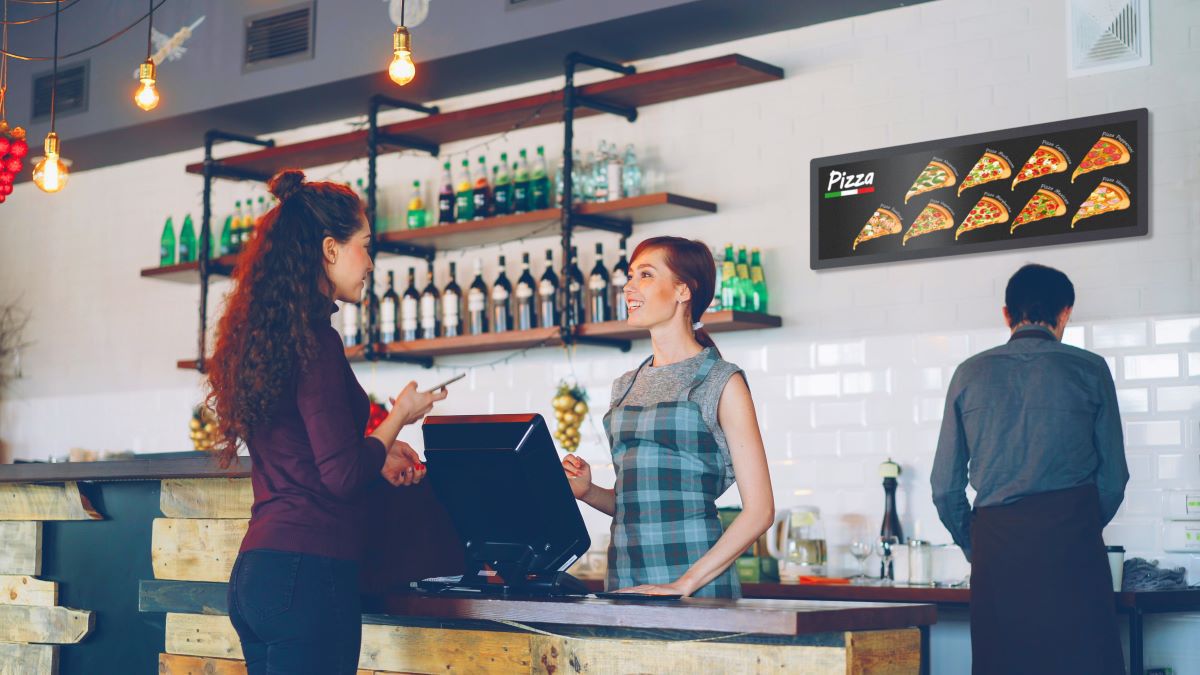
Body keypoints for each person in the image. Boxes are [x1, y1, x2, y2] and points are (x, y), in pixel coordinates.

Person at [205, 169, 447, 674]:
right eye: (365, 244)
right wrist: (398, 417)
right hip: (309, 574)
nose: (370, 261)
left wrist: (376, 453)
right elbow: (339, 476)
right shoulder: (315, 341)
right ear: (331, 250)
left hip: (258, 572)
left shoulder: (272, 339)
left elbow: (313, 456)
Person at [931, 263, 1127, 675]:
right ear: (1065, 313)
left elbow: (944, 489)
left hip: (997, 555)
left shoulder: (969, 373)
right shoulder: (1090, 370)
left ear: (1007, 314)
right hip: (1073, 551)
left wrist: (976, 544)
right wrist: (1079, 525)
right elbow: (1113, 479)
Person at [562, 236, 774, 598]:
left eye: (645, 275)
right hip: (627, 579)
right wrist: (589, 493)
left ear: (683, 290)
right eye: (630, 276)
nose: (629, 287)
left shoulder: (721, 381)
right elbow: (642, 503)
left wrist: (683, 584)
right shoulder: (625, 385)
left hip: (696, 585)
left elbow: (760, 511)